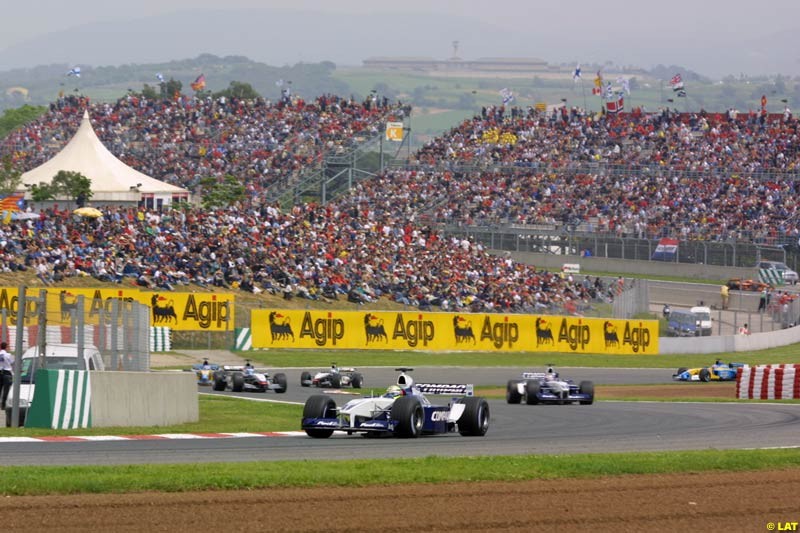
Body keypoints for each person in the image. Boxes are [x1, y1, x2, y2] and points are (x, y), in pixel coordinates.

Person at [0, 342, 13, 411]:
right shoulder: (8, 355)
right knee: (6, 390)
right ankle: (3, 405)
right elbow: (12, 363)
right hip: (7, 373)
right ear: (6, 347)